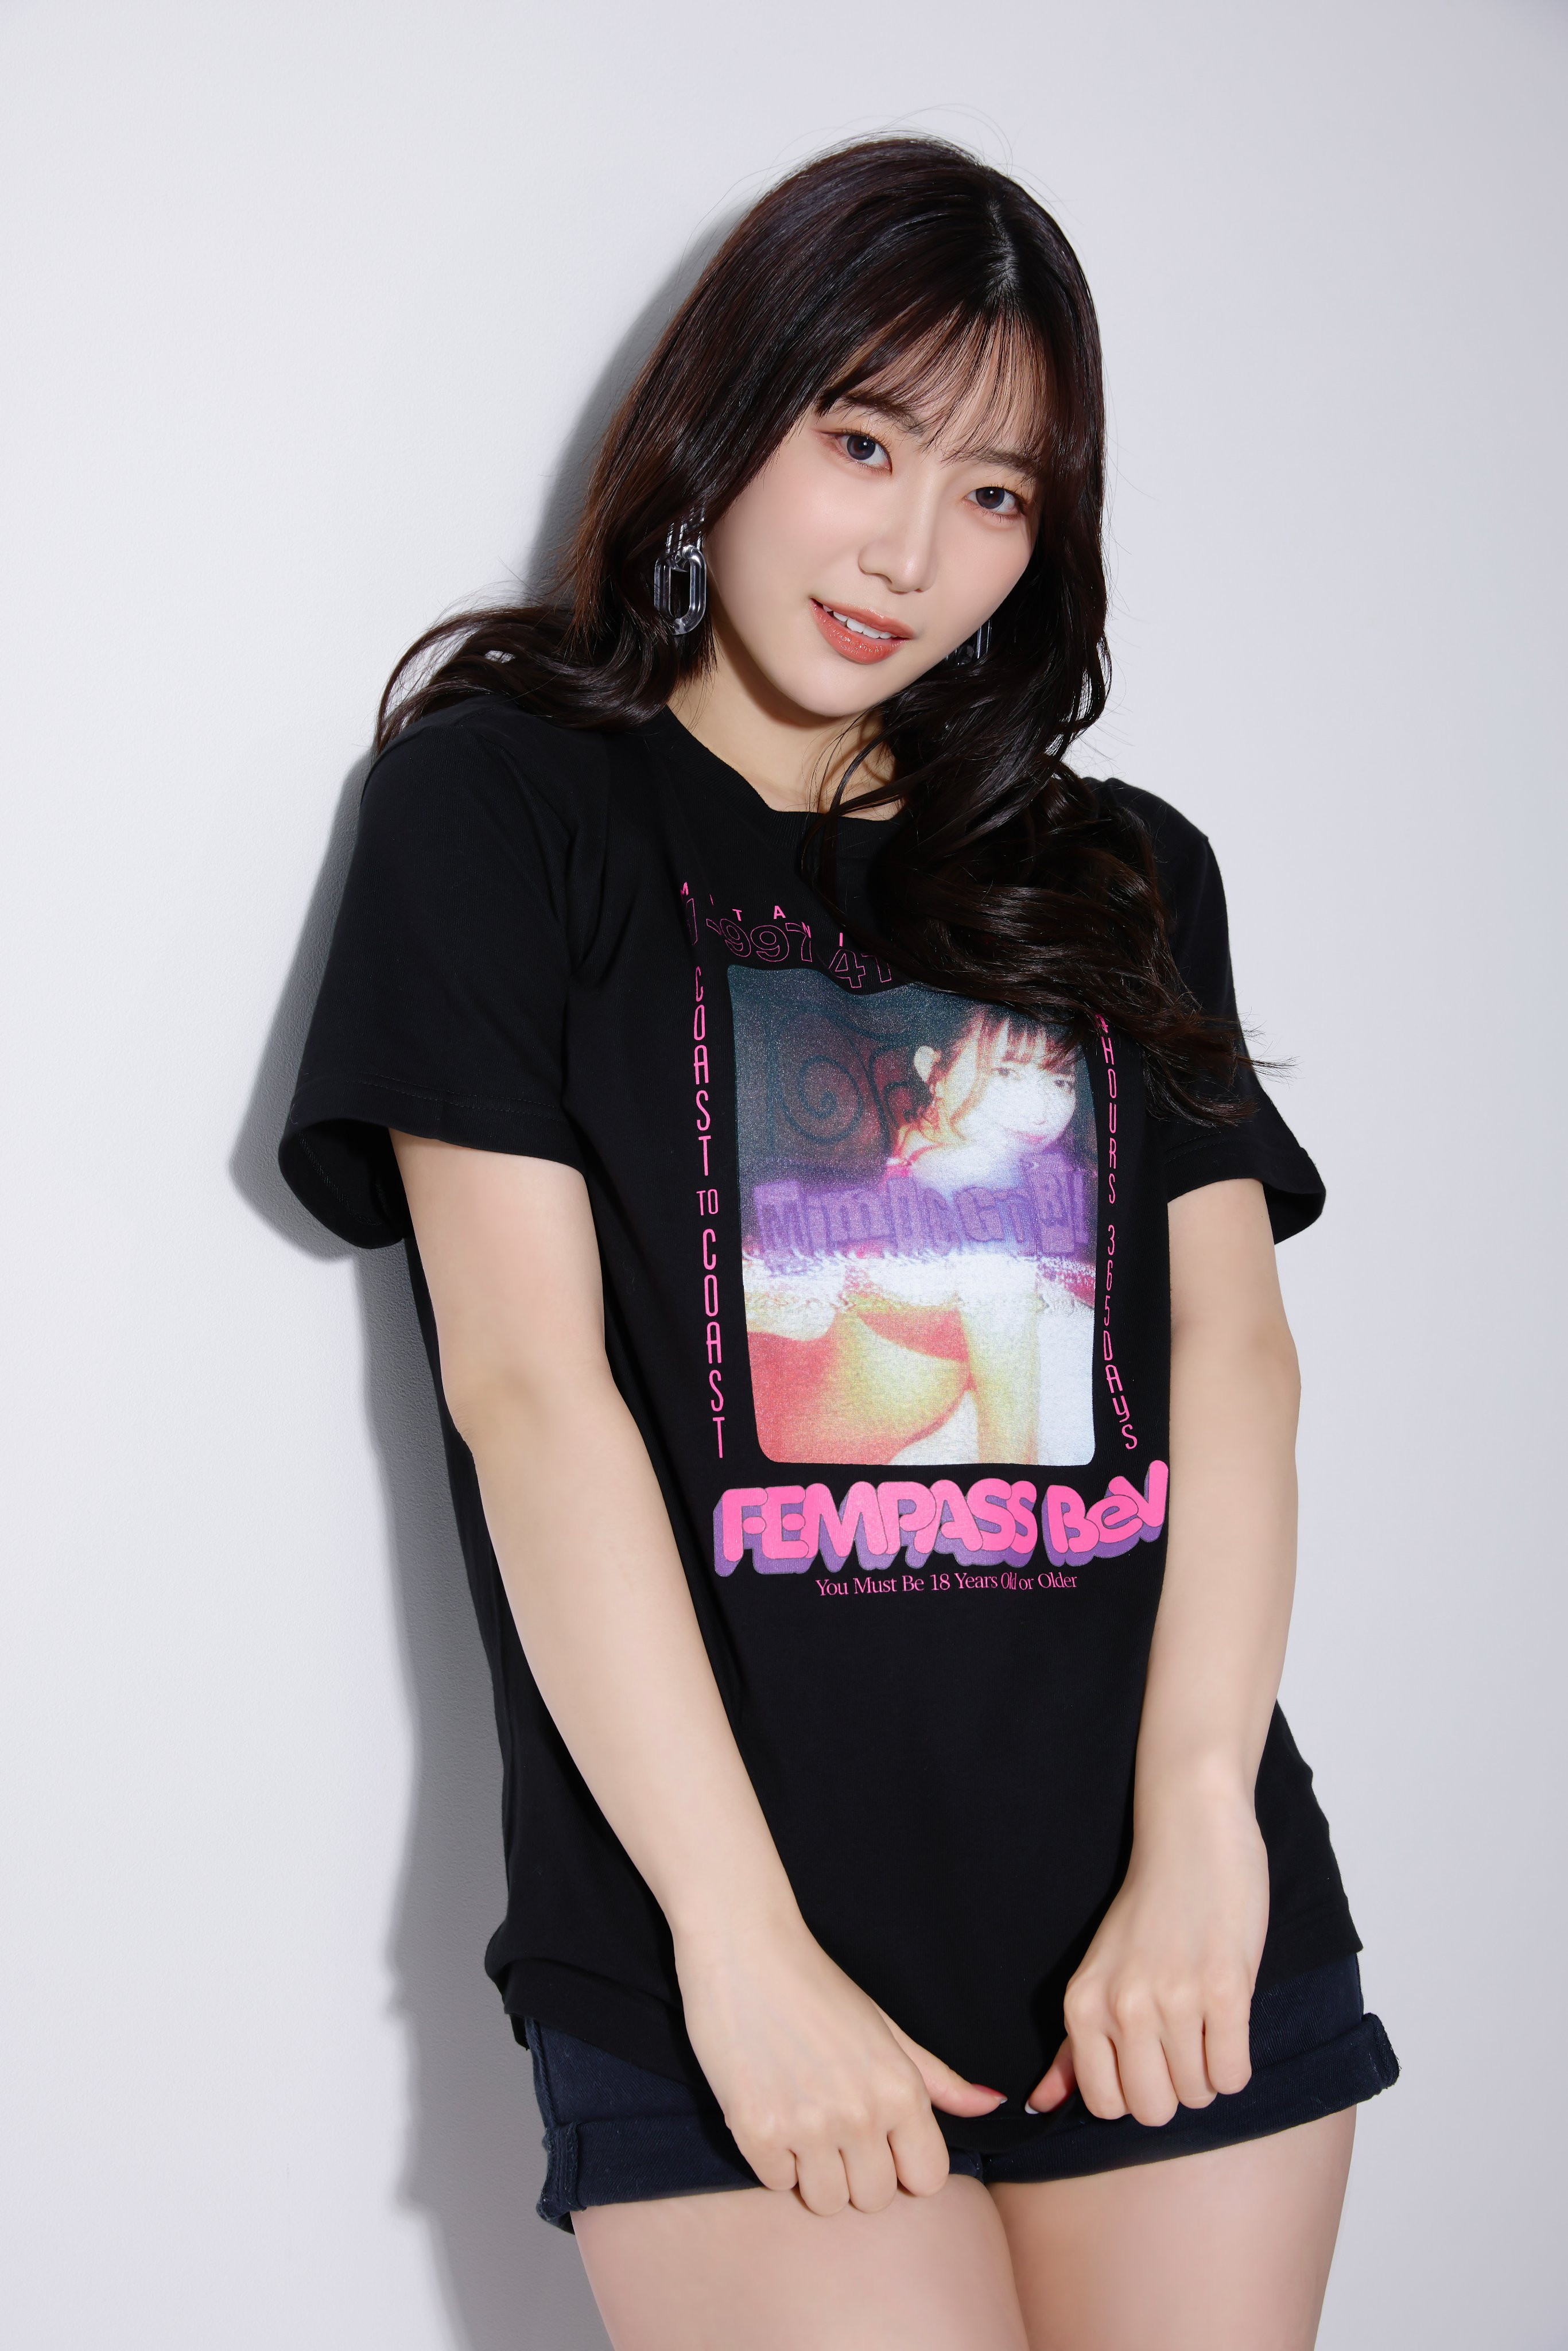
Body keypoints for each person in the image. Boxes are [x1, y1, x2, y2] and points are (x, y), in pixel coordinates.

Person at [280, 137, 1397, 2351]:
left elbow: (1235, 1363)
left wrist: (1203, 1827)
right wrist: (737, 1945)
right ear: (726, 418)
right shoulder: (504, 812)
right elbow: (530, 1396)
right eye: (862, 442)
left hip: (1161, 1924)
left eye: (994, 492)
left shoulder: (1115, 871)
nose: (909, 551)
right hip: (723, 1940)